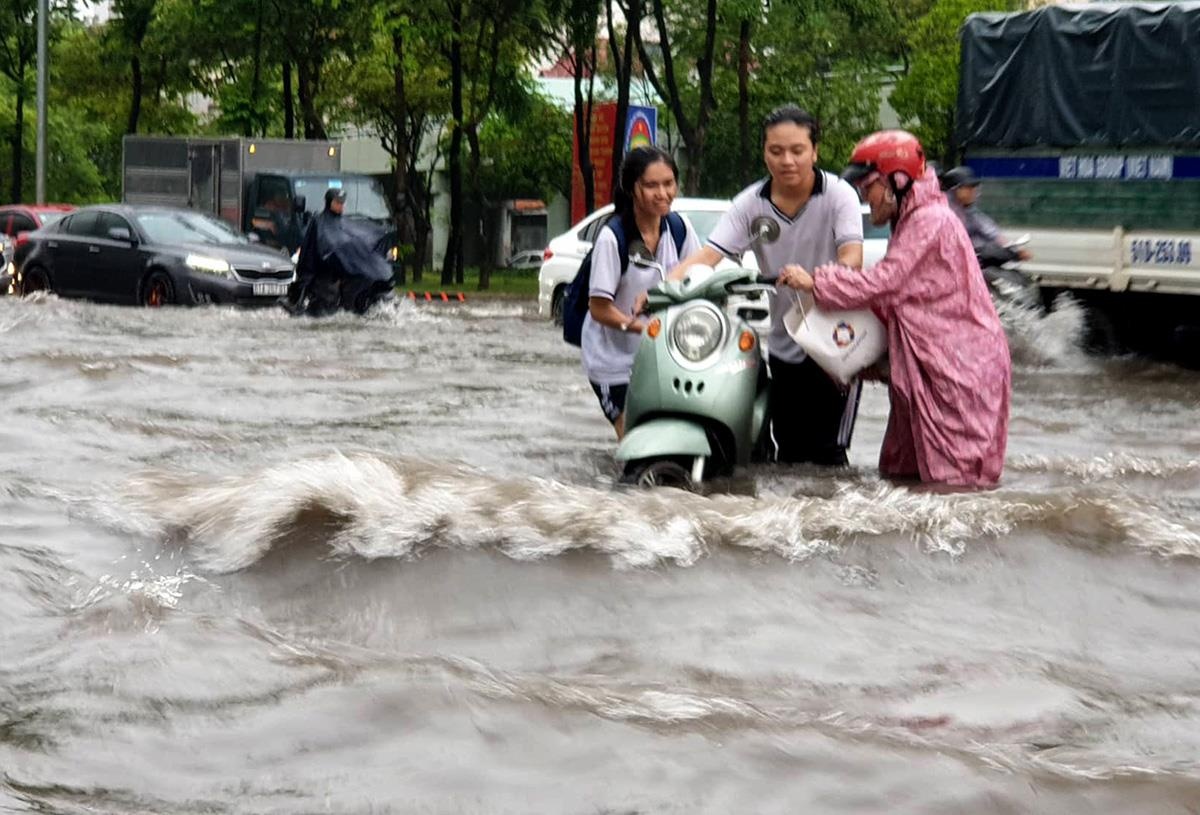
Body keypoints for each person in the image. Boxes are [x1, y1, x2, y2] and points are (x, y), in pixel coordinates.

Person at [783, 130, 1011, 488]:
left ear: (896, 180)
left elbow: (884, 283)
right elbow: (901, 301)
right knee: (901, 473)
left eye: (868, 186)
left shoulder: (930, 221)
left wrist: (816, 281)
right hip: (925, 369)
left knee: (956, 486)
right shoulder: (911, 221)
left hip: (957, 370)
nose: (864, 196)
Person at [667, 105, 865, 465]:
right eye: (775, 151)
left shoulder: (839, 195)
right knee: (787, 448)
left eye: (797, 150)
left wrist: (815, 279)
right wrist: (665, 286)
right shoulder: (749, 204)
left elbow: (852, 259)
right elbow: (709, 256)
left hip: (837, 343)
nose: (786, 160)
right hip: (785, 341)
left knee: (828, 454)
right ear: (764, 153)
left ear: (814, 151)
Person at [582, 146, 701, 439]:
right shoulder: (613, 238)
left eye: (669, 183)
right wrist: (644, 329)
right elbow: (599, 308)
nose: (662, 193)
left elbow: (698, 277)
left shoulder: (680, 228)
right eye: (651, 185)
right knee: (633, 440)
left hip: (665, 356)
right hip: (614, 361)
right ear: (632, 188)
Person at [941, 165, 1032, 264]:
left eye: (974, 187)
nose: (973, 191)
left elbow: (989, 230)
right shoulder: (943, 211)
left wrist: (1013, 249)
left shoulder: (969, 210)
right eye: (968, 188)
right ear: (955, 189)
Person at [292, 187, 348, 315]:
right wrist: (306, 278)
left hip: (340, 275)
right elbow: (309, 251)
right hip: (320, 277)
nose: (341, 206)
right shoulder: (318, 222)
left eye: (342, 203)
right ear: (329, 202)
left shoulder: (343, 223)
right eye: (338, 203)